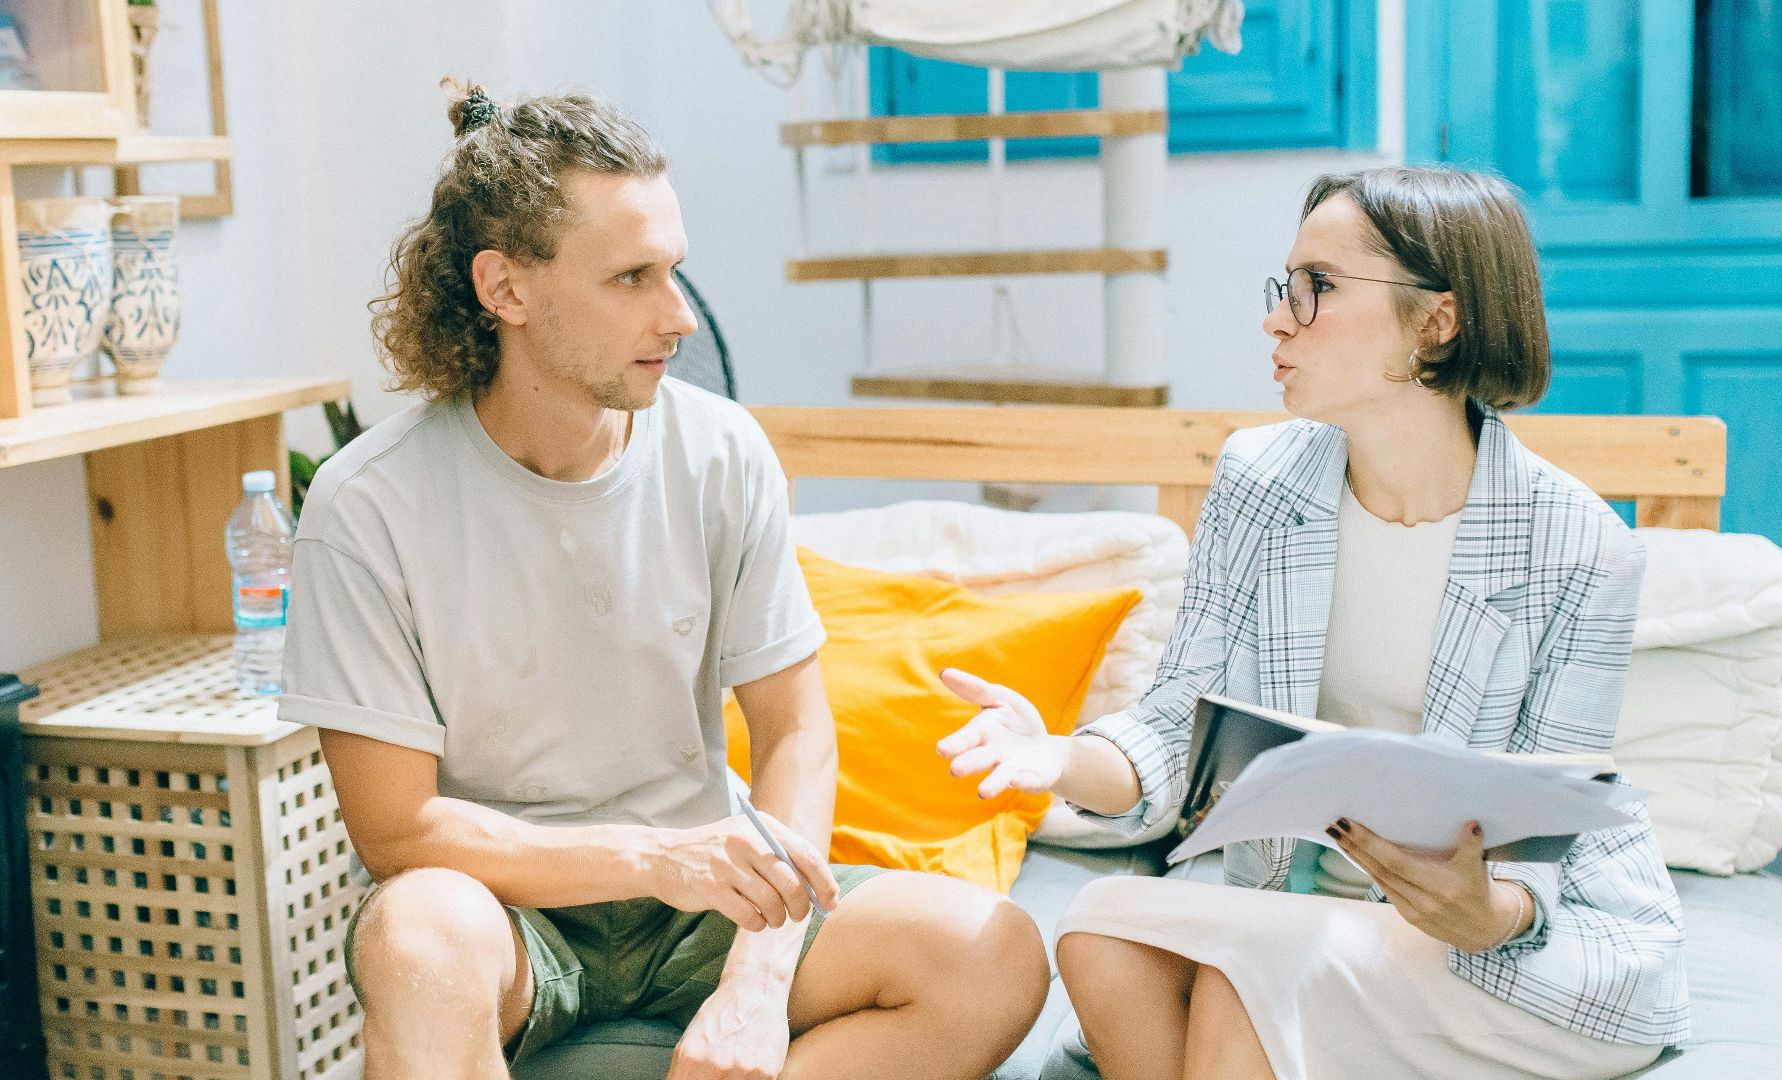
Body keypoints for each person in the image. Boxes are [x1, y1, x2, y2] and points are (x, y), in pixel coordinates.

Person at [281, 81, 1047, 1080]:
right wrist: (653, 859)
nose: (678, 316)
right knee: (415, 935)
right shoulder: (365, 506)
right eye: (632, 278)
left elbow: (797, 731)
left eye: (673, 270)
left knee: (995, 952)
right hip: (513, 917)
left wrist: (757, 986)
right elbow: (399, 831)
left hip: (713, 902)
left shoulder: (722, 452)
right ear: (506, 290)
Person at [937, 166, 1689, 1080]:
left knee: (1244, 981)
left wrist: (1483, 910)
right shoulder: (1261, 479)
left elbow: (1546, 829)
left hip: (1510, 939)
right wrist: (1057, 756)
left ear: (1437, 321)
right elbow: (1178, 724)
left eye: (1319, 289)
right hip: (1295, 905)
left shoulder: (1580, 547)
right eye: (1284, 287)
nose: (1278, 319)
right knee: (1099, 932)